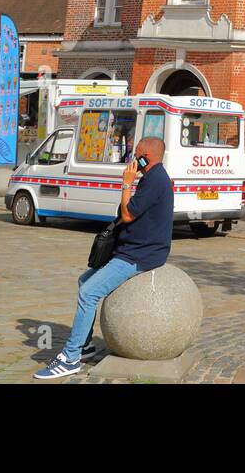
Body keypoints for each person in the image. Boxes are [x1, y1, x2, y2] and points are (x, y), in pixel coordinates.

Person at [33, 136, 174, 380]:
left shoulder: (155, 180)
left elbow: (128, 214)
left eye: (136, 153)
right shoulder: (153, 177)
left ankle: (71, 357)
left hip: (140, 254)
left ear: (146, 158)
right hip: (132, 248)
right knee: (83, 281)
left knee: (88, 293)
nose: (132, 157)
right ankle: (85, 344)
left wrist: (126, 184)